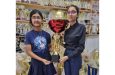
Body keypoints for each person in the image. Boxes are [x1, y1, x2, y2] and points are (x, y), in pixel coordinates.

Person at [24, 9, 56, 75]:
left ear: (42, 20)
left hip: (47, 62)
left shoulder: (47, 34)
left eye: (38, 17)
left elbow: (49, 49)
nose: (36, 20)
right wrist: (42, 60)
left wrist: (55, 47)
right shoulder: (28, 35)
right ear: (31, 20)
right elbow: (29, 52)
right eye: (34, 17)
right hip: (36, 63)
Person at [59, 5, 86, 75]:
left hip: (75, 57)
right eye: (69, 12)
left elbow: (81, 47)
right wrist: (59, 38)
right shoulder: (66, 29)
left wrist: (68, 57)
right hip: (66, 55)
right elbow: (65, 45)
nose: (70, 14)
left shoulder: (81, 27)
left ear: (77, 14)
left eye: (73, 12)